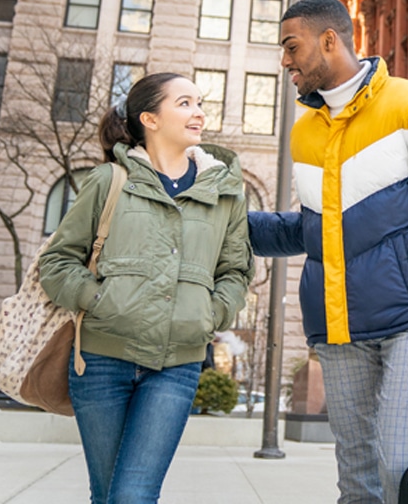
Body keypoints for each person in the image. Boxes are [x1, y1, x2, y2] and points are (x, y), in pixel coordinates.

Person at [247, 0, 408, 502]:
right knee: (355, 473)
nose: (285, 61)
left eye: (292, 47)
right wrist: (236, 226)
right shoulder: (305, 133)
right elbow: (313, 230)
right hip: (338, 327)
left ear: (330, 40)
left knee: (399, 462)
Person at [39, 73, 253, 503]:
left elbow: (235, 272)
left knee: (133, 494)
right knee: (107, 495)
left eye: (199, 103)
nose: (199, 112)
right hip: (100, 362)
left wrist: (210, 314)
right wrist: (99, 301)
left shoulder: (226, 191)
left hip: (177, 365)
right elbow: (57, 262)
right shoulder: (109, 180)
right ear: (150, 119)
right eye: (185, 103)